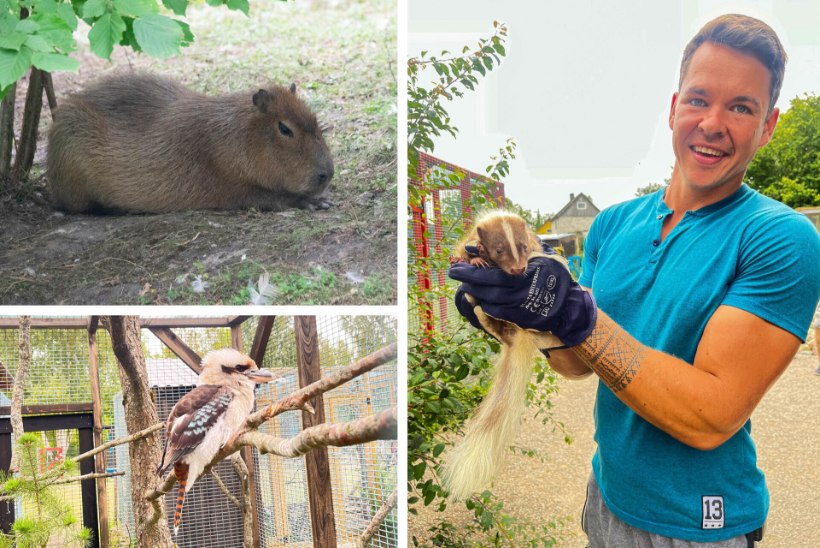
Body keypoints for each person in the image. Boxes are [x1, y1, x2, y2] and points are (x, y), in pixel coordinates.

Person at [449, 13, 820, 547]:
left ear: (768, 126)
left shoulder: (778, 238)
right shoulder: (613, 223)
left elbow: (709, 418)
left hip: (698, 525)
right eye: (699, 99)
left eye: (742, 107)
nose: (713, 123)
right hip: (607, 496)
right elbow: (578, 363)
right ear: (674, 109)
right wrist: (518, 320)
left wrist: (572, 312)